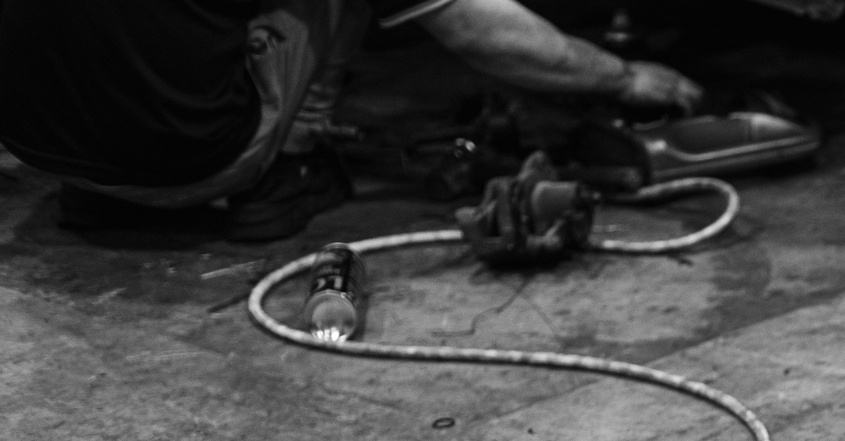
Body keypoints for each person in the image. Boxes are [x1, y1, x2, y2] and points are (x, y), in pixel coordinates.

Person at [0, 0, 703, 241]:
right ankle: (289, 165)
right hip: (194, 158)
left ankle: (111, 176)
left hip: (45, 153)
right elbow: (483, 34)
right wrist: (626, 76)